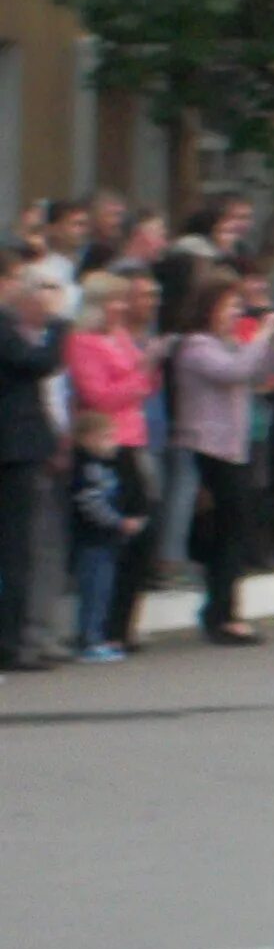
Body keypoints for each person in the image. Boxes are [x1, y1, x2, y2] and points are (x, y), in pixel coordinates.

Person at [170, 268, 274, 646]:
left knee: (236, 529)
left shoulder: (228, 343)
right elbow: (235, 372)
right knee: (230, 530)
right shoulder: (197, 345)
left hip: (234, 446)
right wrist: (263, 334)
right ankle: (222, 613)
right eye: (228, 305)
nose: (234, 313)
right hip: (209, 446)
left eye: (237, 306)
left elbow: (261, 373)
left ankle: (224, 609)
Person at [0, 249, 71, 671]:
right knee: (15, 549)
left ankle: (16, 638)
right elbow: (37, 364)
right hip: (13, 449)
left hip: (24, 446)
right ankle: (10, 643)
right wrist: (60, 325)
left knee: (22, 548)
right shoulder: (7, 331)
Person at [64, 406, 143, 664]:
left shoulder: (102, 466)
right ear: (87, 439)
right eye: (107, 437)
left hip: (105, 540)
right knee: (95, 592)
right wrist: (118, 523)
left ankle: (95, 637)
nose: (114, 443)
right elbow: (91, 503)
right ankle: (89, 640)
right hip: (93, 541)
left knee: (104, 590)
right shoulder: (87, 469)